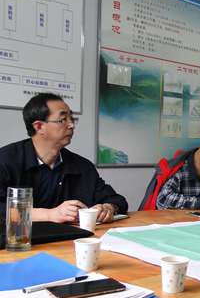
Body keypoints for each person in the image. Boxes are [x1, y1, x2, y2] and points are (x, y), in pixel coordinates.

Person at [0, 93, 127, 223]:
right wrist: (49, 215)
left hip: (73, 236)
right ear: (39, 126)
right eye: (62, 120)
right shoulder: (6, 160)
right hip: (20, 236)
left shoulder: (82, 166)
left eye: (71, 119)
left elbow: (117, 200)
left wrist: (108, 208)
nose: (71, 125)